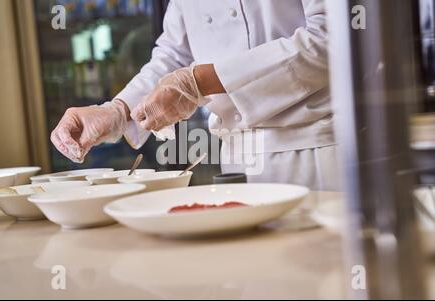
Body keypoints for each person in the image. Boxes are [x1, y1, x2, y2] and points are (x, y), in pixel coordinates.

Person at [51, 0, 338, 191]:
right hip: (237, 160)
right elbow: (174, 55)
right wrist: (117, 111)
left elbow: (332, 38)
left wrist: (200, 82)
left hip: (317, 152)